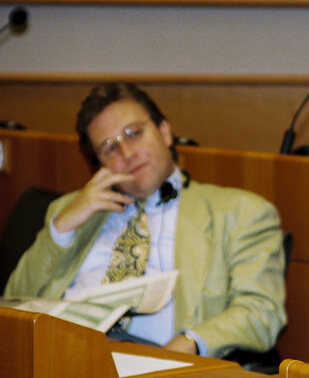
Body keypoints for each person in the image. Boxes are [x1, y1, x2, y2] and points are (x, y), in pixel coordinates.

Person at [4, 82, 287, 358]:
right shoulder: (70, 211)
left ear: (164, 131)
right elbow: (13, 307)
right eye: (109, 148)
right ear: (100, 164)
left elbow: (262, 310)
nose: (127, 153)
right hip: (64, 357)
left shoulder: (240, 212)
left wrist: (192, 341)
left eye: (134, 133)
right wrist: (60, 230)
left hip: (161, 361)